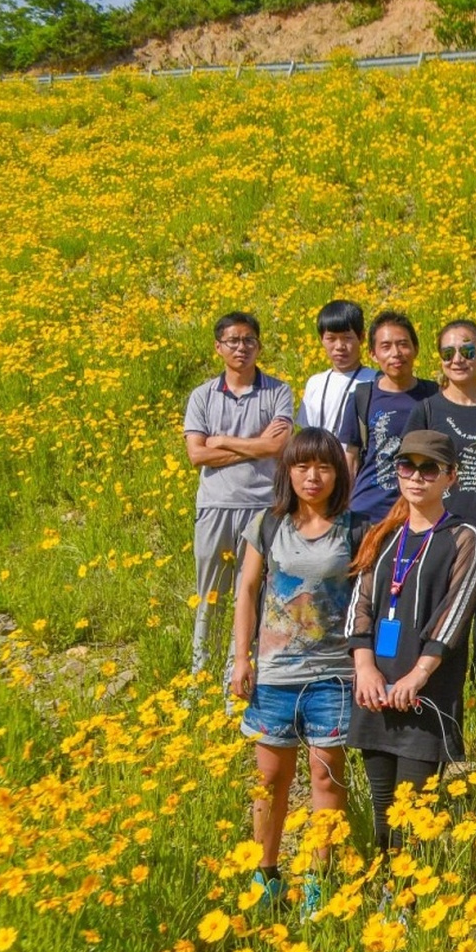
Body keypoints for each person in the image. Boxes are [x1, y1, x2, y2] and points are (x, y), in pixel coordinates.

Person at [229, 428, 357, 915]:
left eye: (323, 466)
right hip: (275, 676)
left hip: (333, 676)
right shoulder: (267, 525)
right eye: (302, 466)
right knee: (269, 780)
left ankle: (319, 882)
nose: (312, 476)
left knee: (326, 780)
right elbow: (246, 591)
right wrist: (242, 659)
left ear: (336, 474)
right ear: (288, 471)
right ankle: (266, 874)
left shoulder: (354, 528)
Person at [346, 430, 476, 854]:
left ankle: (410, 902)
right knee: (382, 805)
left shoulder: (464, 537)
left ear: (451, 477)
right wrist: (365, 667)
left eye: (430, 469)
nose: (417, 477)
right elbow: (361, 603)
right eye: (408, 466)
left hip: (424, 694)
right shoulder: (383, 534)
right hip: (375, 691)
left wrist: (419, 674)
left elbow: (455, 611)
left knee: (416, 808)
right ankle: (386, 892)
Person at [184, 311, 294, 675]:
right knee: (211, 592)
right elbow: (197, 454)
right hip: (216, 505)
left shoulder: (278, 391)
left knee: (255, 593)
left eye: (249, 340)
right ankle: (203, 670)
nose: (241, 347)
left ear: (259, 345)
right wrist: (257, 444)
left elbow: (278, 448)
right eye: (233, 341)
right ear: (218, 347)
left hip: (264, 507)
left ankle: (242, 671)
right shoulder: (202, 396)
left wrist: (225, 442)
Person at [408, 320, 476, 689]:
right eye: (448, 352)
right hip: (443, 541)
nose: (458, 359)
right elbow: (410, 476)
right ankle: (446, 708)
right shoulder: (427, 410)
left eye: (467, 350)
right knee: (442, 637)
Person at [345, 311, 440, 529]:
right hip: (367, 514)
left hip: (420, 514)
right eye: (386, 346)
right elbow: (350, 460)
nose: (396, 353)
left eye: (403, 344)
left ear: (416, 349)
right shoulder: (362, 397)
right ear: (372, 354)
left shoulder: (435, 395)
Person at [298, 299, 375, 470]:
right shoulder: (314, 383)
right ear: (321, 340)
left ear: (361, 337)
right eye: (331, 339)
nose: (339, 346)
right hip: (318, 469)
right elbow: (305, 432)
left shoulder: (374, 380)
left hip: (357, 470)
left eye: (347, 338)